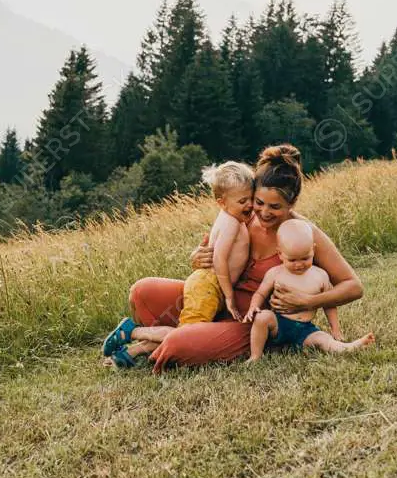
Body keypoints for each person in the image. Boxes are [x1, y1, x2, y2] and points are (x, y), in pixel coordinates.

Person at [100, 144, 365, 373]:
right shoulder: (241, 216)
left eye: (275, 207)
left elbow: (353, 286)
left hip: (249, 322)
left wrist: (308, 301)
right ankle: (179, 334)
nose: (263, 212)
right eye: (258, 202)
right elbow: (210, 254)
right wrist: (197, 257)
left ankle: (146, 340)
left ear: (292, 204)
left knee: (179, 345)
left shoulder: (304, 233)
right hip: (216, 302)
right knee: (142, 291)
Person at [101, 161, 254, 366]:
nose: (250, 205)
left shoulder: (228, 216)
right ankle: (133, 332)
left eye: (252, 198)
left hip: (206, 284)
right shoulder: (233, 223)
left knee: (188, 331)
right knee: (187, 333)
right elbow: (218, 259)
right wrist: (228, 295)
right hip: (209, 286)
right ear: (222, 202)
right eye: (243, 200)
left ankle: (132, 352)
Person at [244, 219, 374, 361]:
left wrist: (335, 329)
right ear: (280, 254)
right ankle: (255, 355)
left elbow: (329, 304)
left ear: (313, 249)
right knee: (262, 317)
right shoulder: (275, 273)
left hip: (305, 330)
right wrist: (253, 307)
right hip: (279, 324)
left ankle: (349, 347)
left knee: (323, 338)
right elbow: (261, 293)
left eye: (305, 258)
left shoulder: (320, 275)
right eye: (292, 260)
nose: (299, 265)